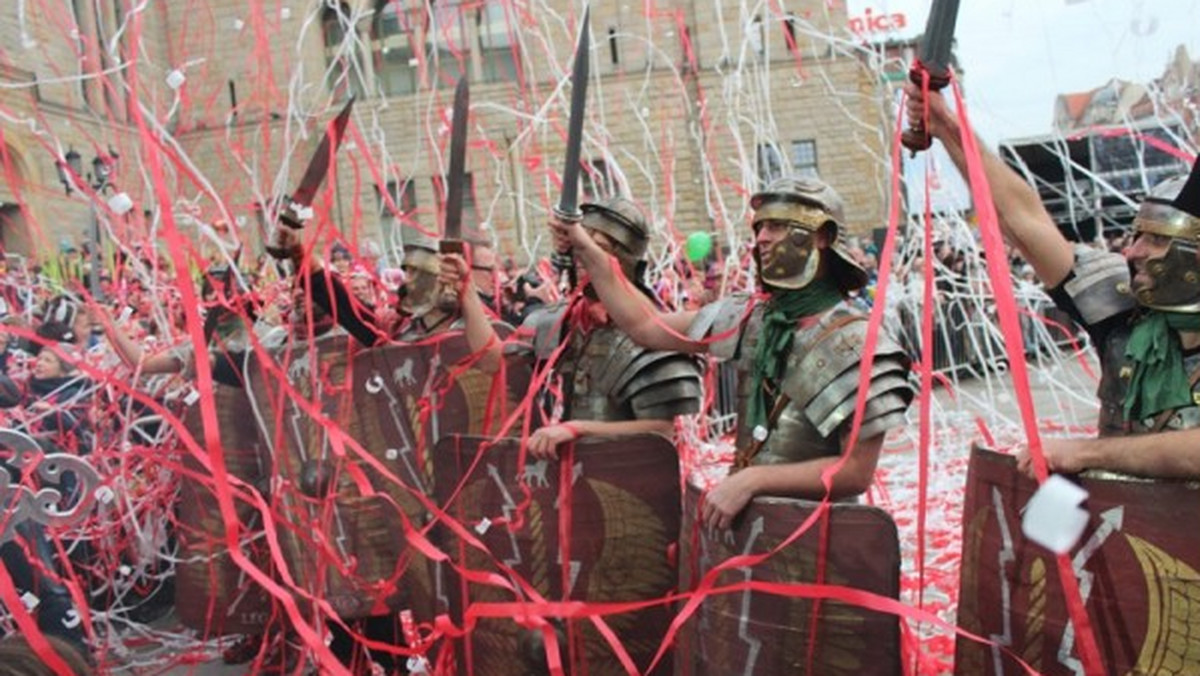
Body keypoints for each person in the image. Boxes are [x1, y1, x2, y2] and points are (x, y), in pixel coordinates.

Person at [554, 177, 913, 529]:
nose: (761, 238)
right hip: (750, 528)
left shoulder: (858, 340)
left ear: (821, 235)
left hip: (817, 538)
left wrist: (753, 480)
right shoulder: (749, 318)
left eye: (775, 225)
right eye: (759, 227)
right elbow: (646, 327)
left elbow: (855, 470)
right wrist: (585, 246)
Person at [904, 81, 1200, 478]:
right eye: (1137, 236)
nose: (1133, 251)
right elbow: (1024, 220)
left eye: (1158, 240)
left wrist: (1088, 454)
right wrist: (948, 128)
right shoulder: (1125, 309)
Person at [442, 195, 703, 458]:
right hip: (573, 476)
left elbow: (659, 431)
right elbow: (492, 361)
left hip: (629, 475)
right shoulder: (561, 320)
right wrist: (466, 289)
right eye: (578, 247)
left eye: (595, 248)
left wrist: (578, 429)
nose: (582, 256)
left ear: (624, 260)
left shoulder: (657, 331)